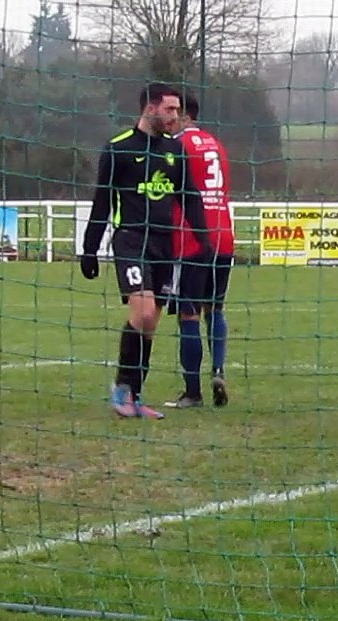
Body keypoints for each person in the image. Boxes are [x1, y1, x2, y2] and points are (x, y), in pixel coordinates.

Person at [79, 83, 212, 419]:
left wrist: (205, 242)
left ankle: (135, 397)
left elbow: (190, 198)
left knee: (151, 321)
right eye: (169, 109)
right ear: (150, 108)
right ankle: (121, 389)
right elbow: (102, 201)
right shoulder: (119, 148)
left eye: (177, 110)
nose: (175, 117)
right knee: (142, 311)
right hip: (131, 239)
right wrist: (89, 249)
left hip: (164, 243)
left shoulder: (175, 150)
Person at [165, 93, 236, 409]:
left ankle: (192, 392)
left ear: (184, 116)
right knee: (215, 308)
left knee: (188, 313)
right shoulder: (216, 145)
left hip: (192, 237)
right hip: (223, 236)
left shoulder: (178, 146)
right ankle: (218, 369)